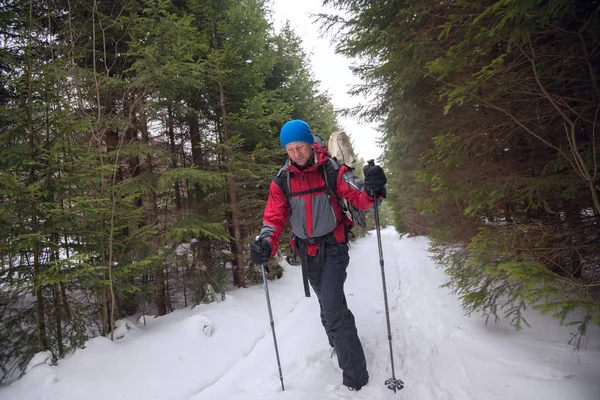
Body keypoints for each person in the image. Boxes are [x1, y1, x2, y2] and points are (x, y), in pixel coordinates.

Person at [250, 119, 387, 391]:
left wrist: (374, 188)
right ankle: (337, 343)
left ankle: (356, 376)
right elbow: (274, 218)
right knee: (326, 303)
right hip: (307, 253)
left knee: (334, 309)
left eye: (300, 146)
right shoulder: (283, 181)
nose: (297, 153)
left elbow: (361, 197)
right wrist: (266, 243)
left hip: (334, 248)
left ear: (311, 143)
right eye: (290, 149)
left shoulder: (332, 171)